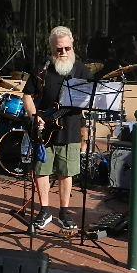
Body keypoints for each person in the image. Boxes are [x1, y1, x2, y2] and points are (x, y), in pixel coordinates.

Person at [22, 25, 92, 230]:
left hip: (70, 127)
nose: (63, 53)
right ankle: (44, 211)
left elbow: (89, 100)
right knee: (41, 170)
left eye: (67, 48)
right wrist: (35, 117)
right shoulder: (42, 69)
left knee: (65, 171)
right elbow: (27, 95)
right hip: (44, 128)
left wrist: (84, 133)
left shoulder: (81, 70)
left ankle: (64, 213)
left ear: (73, 46)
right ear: (51, 49)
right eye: (58, 49)